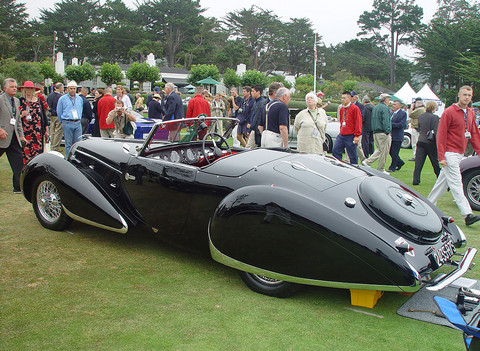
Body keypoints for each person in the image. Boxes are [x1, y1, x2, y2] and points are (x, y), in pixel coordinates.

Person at [427, 86, 480, 226]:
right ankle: (467, 214)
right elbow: (441, 135)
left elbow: (474, 133)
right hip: (450, 153)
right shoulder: (449, 112)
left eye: (469, 95)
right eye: (464, 95)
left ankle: (427, 205)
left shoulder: (470, 112)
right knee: (456, 183)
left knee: (442, 184)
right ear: (459, 95)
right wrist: (441, 156)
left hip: (460, 153)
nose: (467, 97)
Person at [0, 78, 27, 193]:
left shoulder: (16, 101)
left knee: (18, 163)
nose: (14, 88)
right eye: (12, 87)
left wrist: (21, 135)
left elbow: (18, 120)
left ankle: (17, 187)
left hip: (14, 136)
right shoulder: (1, 100)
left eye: (15, 86)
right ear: (5, 88)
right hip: (2, 136)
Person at [18, 81, 49, 165]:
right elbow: (16, 116)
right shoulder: (20, 100)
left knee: (38, 152)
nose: (29, 90)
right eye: (27, 88)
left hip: (37, 131)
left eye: (31, 88)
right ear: (24, 89)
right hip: (26, 131)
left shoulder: (38, 100)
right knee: (26, 152)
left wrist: (46, 129)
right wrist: (21, 115)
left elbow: (43, 116)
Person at [413, 101, 441, 185]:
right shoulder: (435, 117)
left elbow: (419, 127)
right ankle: (439, 178)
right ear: (433, 108)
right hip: (430, 142)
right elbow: (436, 131)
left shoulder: (421, 116)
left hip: (421, 140)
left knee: (418, 162)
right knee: (435, 162)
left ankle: (416, 180)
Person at [362, 93, 391, 174]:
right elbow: (386, 120)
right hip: (382, 132)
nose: (389, 100)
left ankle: (368, 162)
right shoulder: (384, 108)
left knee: (379, 149)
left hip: (375, 131)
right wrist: (387, 131)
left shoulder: (376, 107)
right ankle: (379, 168)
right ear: (386, 99)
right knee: (384, 151)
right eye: (388, 99)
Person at [332, 91, 362, 164]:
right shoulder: (342, 109)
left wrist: (357, 135)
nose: (342, 100)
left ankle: (354, 167)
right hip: (342, 134)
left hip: (350, 135)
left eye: (344, 98)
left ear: (349, 98)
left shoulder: (355, 108)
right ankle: (339, 165)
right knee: (335, 150)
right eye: (341, 98)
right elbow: (342, 121)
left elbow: (358, 122)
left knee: (352, 154)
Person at [57, 80, 83, 156]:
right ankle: (69, 159)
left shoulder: (79, 99)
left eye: (74, 88)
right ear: (67, 89)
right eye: (71, 88)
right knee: (68, 143)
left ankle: (77, 158)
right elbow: (59, 111)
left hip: (77, 122)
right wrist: (62, 121)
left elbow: (80, 109)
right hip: (67, 122)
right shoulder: (62, 99)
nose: (72, 90)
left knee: (78, 143)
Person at [388, 100, 407, 172]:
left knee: (395, 152)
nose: (393, 106)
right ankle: (400, 162)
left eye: (395, 104)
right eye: (393, 104)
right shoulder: (392, 113)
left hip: (398, 135)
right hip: (391, 135)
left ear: (399, 105)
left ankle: (392, 167)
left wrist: (390, 125)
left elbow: (401, 124)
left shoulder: (403, 113)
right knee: (390, 151)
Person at [245, 84, 266, 149]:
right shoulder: (255, 102)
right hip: (253, 129)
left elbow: (257, 117)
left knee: (249, 148)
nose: (251, 93)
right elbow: (253, 116)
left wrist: (251, 128)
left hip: (257, 130)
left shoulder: (262, 103)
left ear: (258, 92)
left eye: (253, 91)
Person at [46, 82, 64, 151]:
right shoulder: (60, 97)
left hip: (51, 115)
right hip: (57, 115)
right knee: (58, 131)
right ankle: (55, 146)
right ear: (60, 88)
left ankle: (52, 145)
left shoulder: (50, 95)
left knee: (52, 131)